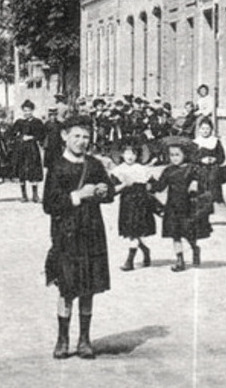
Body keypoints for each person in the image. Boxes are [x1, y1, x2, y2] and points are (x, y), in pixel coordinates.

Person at [43, 115, 115, 359]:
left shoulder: (94, 164)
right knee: (66, 288)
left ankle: (84, 339)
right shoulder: (56, 166)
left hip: (92, 232)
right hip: (66, 235)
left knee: (88, 288)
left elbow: (109, 191)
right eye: (76, 136)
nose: (82, 141)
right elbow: (49, 204)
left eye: (86, 137)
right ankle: (62, 340)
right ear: (64, 136)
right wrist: (79, 194)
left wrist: (105, 191)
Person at [147, 137, 212, 271]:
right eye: (171, 155)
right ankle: (180, 260)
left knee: (188, 233)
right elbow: (160, 187)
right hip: (172, 206)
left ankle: (194, 248)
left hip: (188, 205)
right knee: (175, 234)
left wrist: (195, 183)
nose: (174, 158)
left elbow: (203, 181)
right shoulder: (168, 171)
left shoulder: (191, 169)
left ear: (185, 155)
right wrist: (151, 183)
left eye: (177, 155)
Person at [110, 140, 157, 271]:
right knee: (131, 233)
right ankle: (145, 251)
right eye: (127, 153)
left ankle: (129, 262)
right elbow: (112, 190)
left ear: (137, 155)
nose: (130, 156)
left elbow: (154, 185)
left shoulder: (142, 169)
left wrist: (148, 186)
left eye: (133, 153)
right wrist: (124, 184)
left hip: (141, 204)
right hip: (127, 204)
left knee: (135, 232)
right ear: (122, 155)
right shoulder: (118, 170)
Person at [11, 99, 46, 202]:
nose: (27, 113)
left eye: (29, 110)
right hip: (21, 149)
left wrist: (32, 138)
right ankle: (24, 195)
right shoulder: (19, 122)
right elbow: (12, 134)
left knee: (33, 169)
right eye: (25, 110)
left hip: (32, 149)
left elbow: (42, 135)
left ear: (32, 111)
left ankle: (35, 195)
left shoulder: (37, 122)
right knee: (22, 170)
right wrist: (21, 137)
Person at [194, 118, 226, 205]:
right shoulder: (196, 142)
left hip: (213, 168)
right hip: (200, 168)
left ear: (211, 130)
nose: (205, 131)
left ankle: (216, 201)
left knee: (214, 180)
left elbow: (222, 156)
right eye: (203, 129)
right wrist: (201, 160)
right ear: (199, 129)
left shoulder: (215, 141)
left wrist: (215, 159)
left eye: (207, 129)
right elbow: (191, 157)